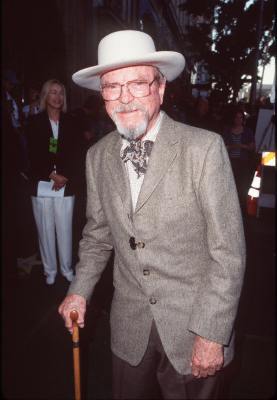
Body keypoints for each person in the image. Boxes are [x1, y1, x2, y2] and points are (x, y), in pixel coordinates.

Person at [59, 30, 246, 399]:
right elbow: (97, 234)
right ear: (102, 96)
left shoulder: (203, 149)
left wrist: (211, 333)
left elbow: (229, 253)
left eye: (138, 84)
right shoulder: (97, 156)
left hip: (193, 330)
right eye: (112, 87)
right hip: (129, 329)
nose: (125, 98)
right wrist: (79, 291)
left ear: (160, 88)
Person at [26, 79, 82, 285]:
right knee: (45, 228)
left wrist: (65, 175)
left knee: (65, 228)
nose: (57, 97)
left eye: (60, 93)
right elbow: (33, 154)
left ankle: (67, 269)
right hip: (42, 182)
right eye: (53, 93)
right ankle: (50, 271)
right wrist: (51, 174)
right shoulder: (34, 122)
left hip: (66, 183)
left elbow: (77, 153)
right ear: (45, 96)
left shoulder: (72, 121)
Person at [222, 109, 255, 210]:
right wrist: (235, 146)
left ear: (243, 119)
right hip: (230, 161)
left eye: (240, 117)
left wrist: (240, 146)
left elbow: (252, 147)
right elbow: (223, 146)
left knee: (242, 185)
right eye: (236, 117)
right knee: (230, 184)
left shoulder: (247, 131)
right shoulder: (227, 130)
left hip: (242, 162)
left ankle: (241, 207)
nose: (238, 119)